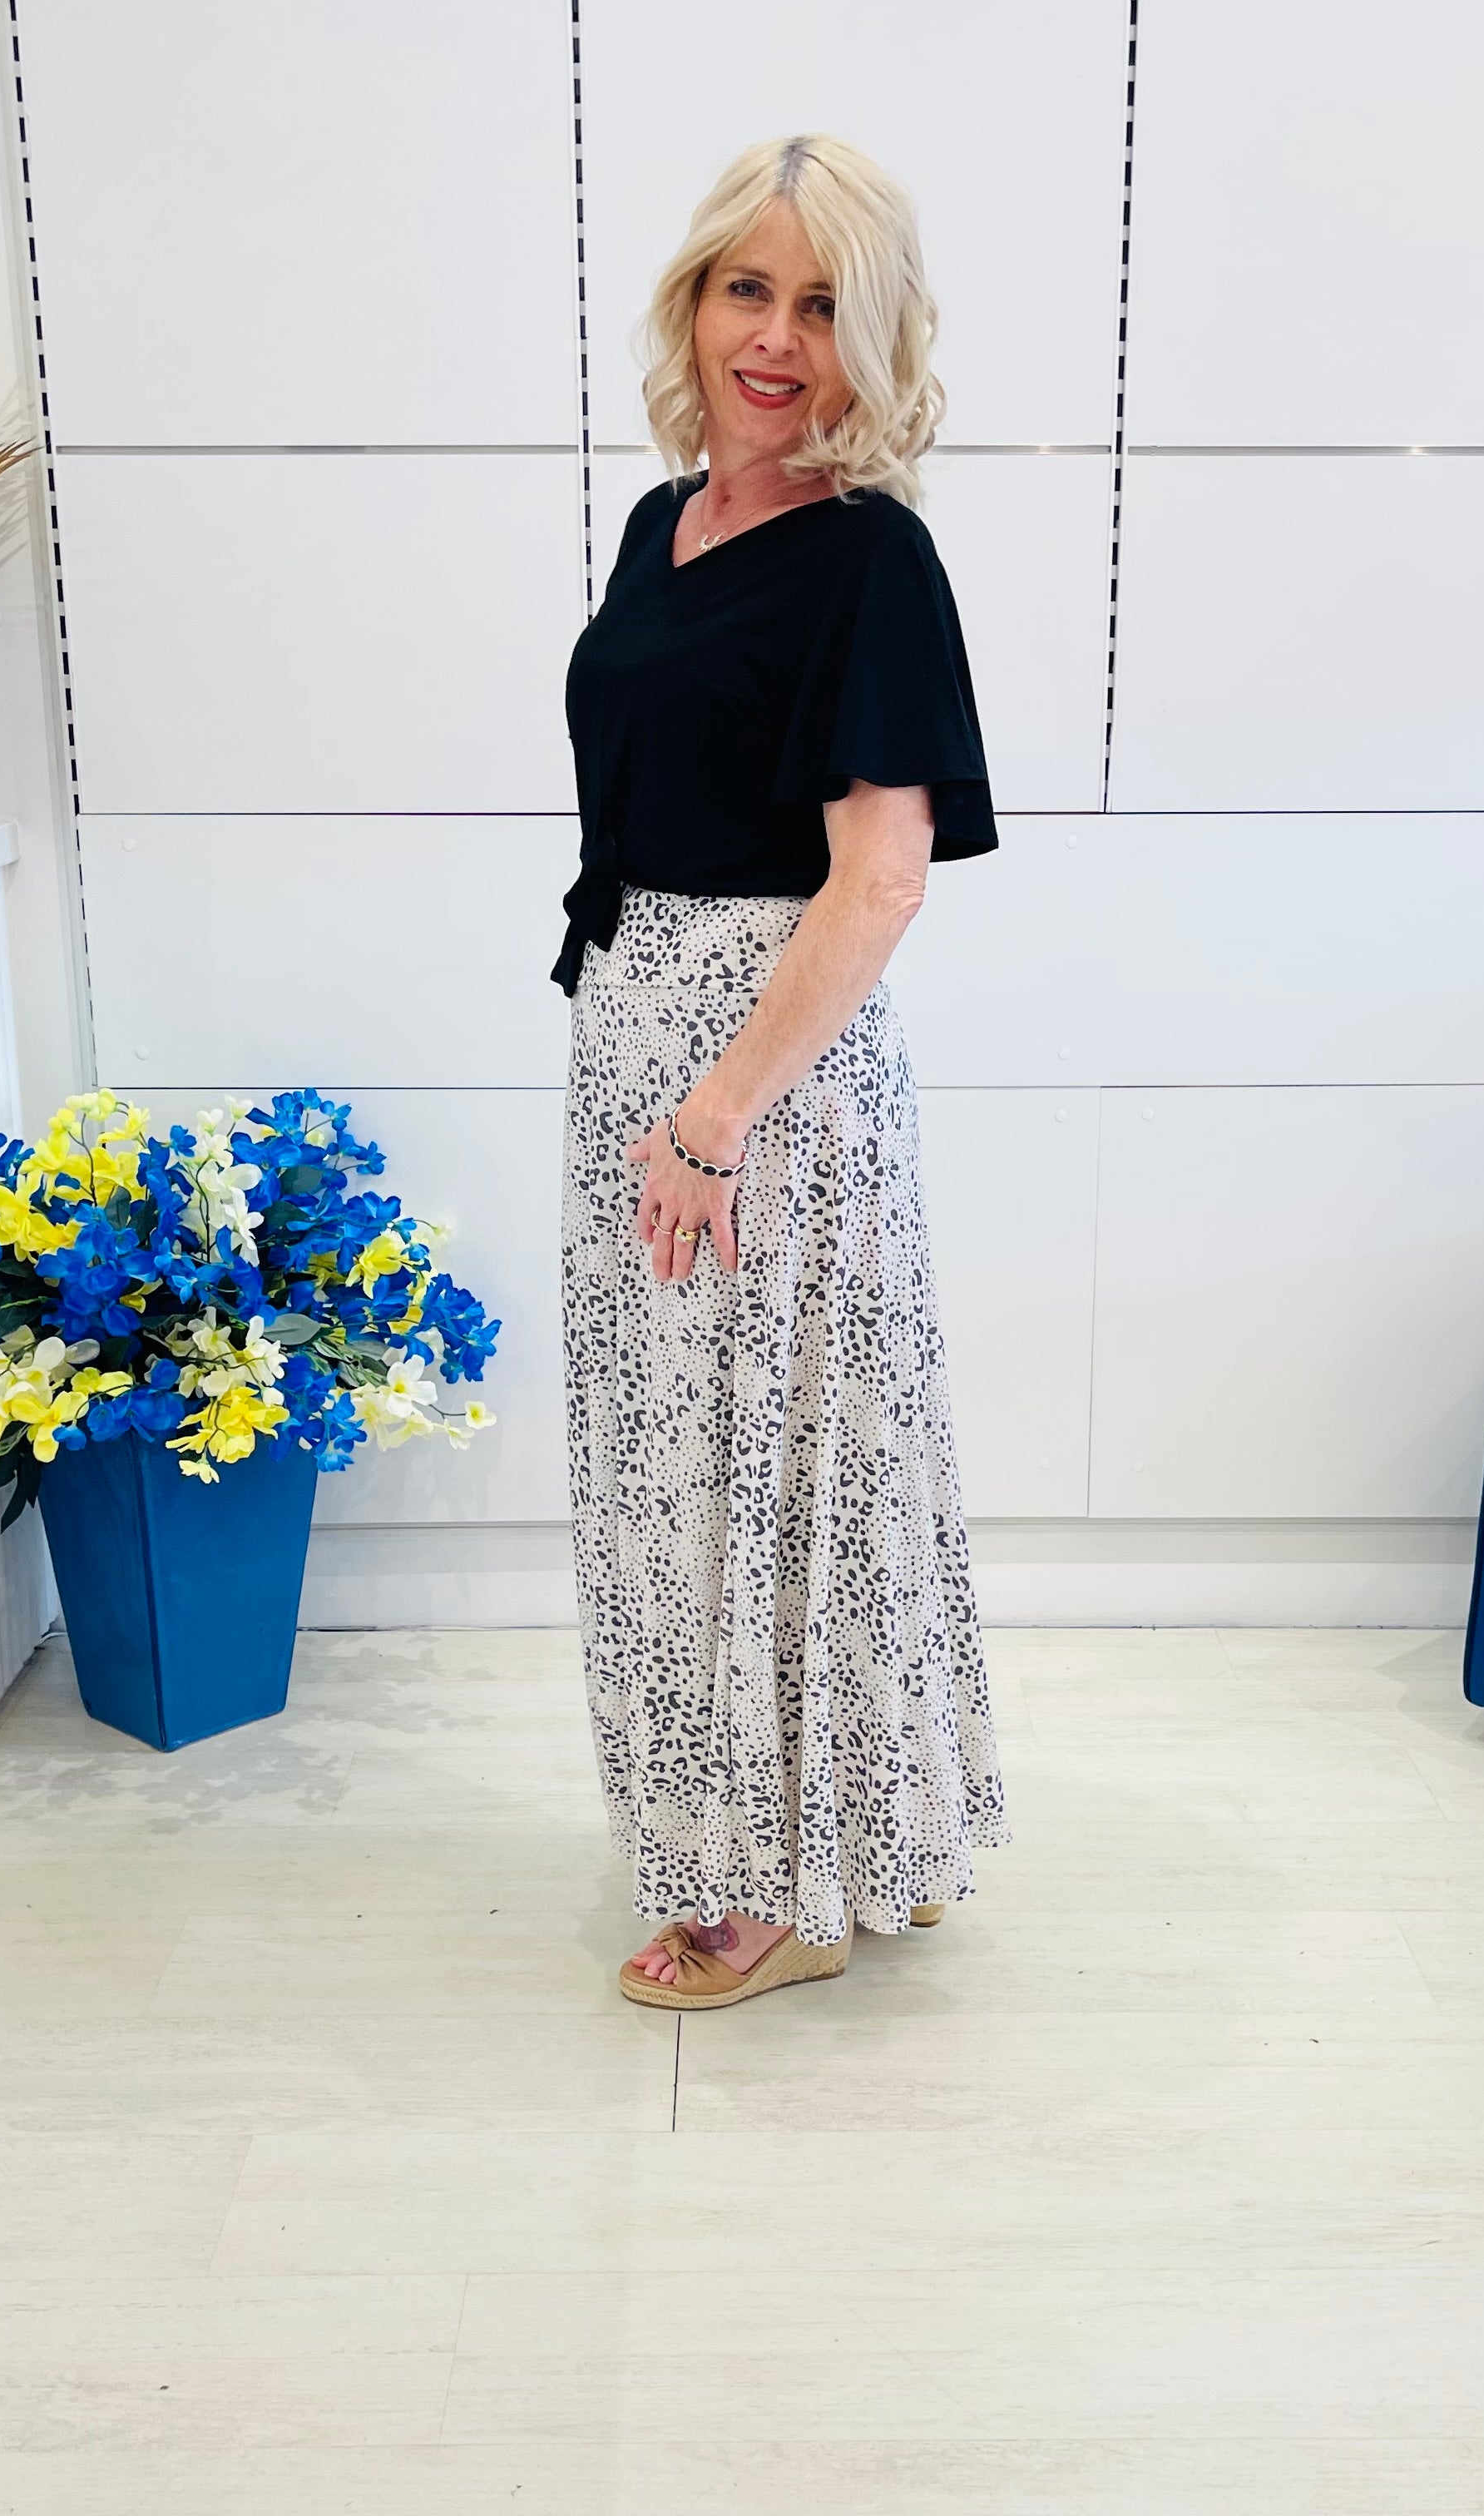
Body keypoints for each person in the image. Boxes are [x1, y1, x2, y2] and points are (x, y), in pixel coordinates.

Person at [556, 134, 1009, 2012]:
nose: (777, 337)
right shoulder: (663, 528)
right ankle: (830, 1826)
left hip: (759, 1078)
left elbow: (880, 878)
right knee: (673, 1478)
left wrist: (720, 1113)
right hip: (636, 1038)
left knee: (767, 1470)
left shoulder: (870, 558)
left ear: (873, 341)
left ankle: (775, 1885)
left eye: (824, 306)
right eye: (750, 288)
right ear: (695, 302)